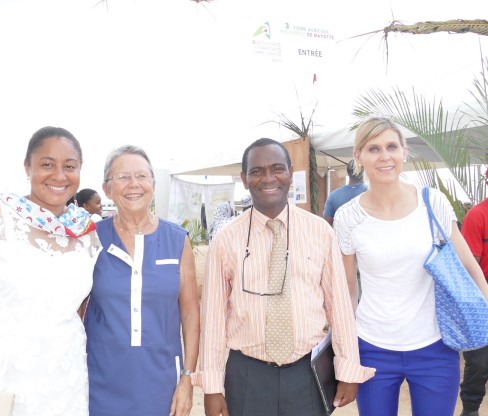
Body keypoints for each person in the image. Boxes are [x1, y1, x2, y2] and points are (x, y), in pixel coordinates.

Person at [197, 137, 374, 416]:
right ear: (244, 179)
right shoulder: (226, 240)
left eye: (277, 168)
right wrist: (212, 385)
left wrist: (348, 368)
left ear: (290, 173)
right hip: (246, 376)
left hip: (306, 375)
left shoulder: (320, 232)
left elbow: (339, 307)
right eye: (257, 171)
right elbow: (213, 318)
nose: (268, 178)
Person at [0, 126, 102, 416]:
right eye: (47, 164)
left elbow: (75, 311)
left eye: (69, 166)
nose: (59, 175)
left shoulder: (86, 234)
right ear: (27, 167)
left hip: (63, 386)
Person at [333, 117, 488, 416]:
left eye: (392, 146)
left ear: (404, 152)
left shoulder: (432, 203)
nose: (384, 156)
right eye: (374, 149)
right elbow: (348, 292)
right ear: (358, 157)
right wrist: (347, 354)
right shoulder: (348, 217)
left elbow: (470, 267)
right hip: (372, 347)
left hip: (435, 347)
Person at [84, 145, 200, 416]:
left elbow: (191, 313)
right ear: (107, 188)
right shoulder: (91, 238)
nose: (133, 184)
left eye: (141, 176)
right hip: (101, 378)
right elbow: (75, 308)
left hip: (162, 380)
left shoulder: (177, 240)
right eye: (122, 177)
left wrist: (187, 377)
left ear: (153, 184)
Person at [459, 196, 488, 416]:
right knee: (479, 362)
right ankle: (470, 410)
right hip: (481, 298)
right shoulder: (477, 215)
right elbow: (469, 267)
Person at [323, 159, 367, 226]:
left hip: (341, 232)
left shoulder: (333, 196)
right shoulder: (371, 192)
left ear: (348, 172)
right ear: (363, 172)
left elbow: (326, 224)